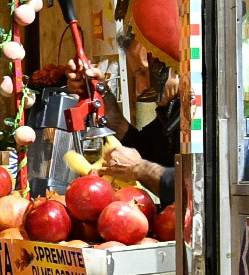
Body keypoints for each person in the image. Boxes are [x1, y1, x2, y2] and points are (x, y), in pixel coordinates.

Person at [65, 39, 180, 205]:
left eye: (145, 72)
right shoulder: (171, 112)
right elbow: (142, 148)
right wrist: (100, 92)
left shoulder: (202, 114)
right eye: (137, 75)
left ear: (176, 64)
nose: (140, 88)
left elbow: (195, 184)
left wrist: (139, 168)